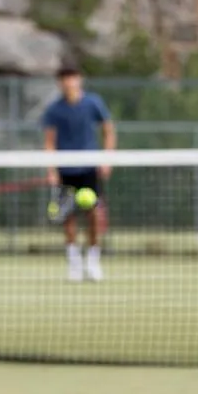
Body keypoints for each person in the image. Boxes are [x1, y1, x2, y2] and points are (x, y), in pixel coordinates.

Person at [42, 64, 116, 281]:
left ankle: (93, 260)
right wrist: (52, 169)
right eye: (64, 78)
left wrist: (107, 159)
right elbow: (49, 142)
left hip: (89, 168)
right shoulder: (54, 109)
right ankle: (74, 262)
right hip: (65, 169)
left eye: (72, 77)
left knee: (93, 214)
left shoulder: (93, 103)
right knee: (68, 217)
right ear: (60, 82)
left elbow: (108, 130)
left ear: (79, 79)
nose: (69, 82)